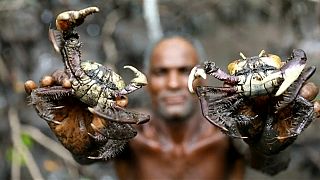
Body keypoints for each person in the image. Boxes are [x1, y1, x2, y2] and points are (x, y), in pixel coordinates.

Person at [25, 34, 319, 180]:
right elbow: (91, 158)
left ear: (199, 78)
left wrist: (268, 143)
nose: (174, 83)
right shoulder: (129, 133)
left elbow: (271, 166)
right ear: (146, 80)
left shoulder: (232, 128)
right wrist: (82, 145)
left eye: (184, 70)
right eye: (162, 72)